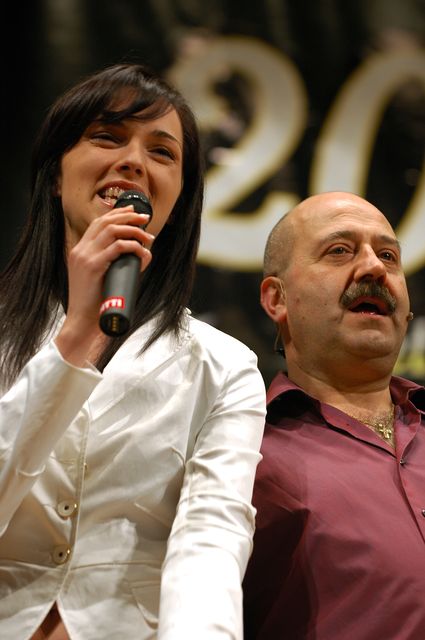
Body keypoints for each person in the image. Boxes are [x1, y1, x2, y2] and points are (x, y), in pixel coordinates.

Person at [0, 63, 267, 640]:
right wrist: (77, 336)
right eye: (107, 136)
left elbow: (211, 540)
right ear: (55, 175)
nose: (134, 161)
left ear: (178, 199)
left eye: (162, 152)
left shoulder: (225, 368)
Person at [243, 191, 425, 640]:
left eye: (388, 256)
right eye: (339, 251)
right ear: (277, 299)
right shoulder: (240, 452)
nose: (374, 268)